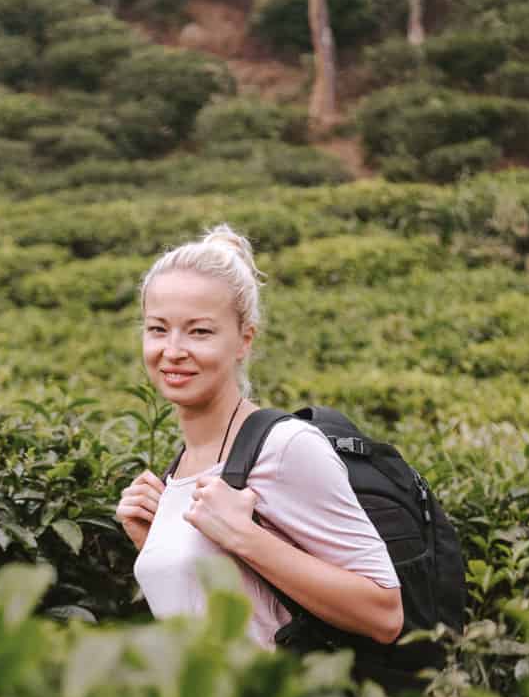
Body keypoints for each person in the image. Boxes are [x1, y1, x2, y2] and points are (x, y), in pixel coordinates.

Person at [115, 224, 403, 650]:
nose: (173, 350)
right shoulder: (181, 466)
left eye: (199, 331)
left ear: (243, 340)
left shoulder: (285, 447)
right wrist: (153, 539)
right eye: (158, 329)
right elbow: (226, 615)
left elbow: (384, 613)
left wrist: (244, 537)